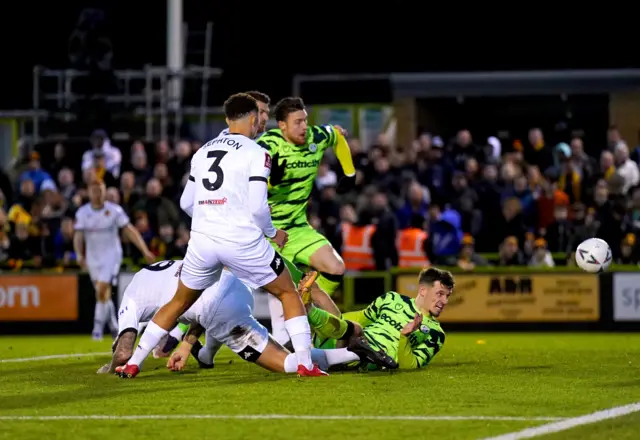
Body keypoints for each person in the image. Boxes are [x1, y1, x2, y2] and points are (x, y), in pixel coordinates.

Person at [116, 93, 321, 378]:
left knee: (177, 303)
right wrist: (274, 233)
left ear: (227, 120)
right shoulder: (256, 153)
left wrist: (210, 217)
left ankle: (134, 362)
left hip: (203, 241)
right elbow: (258, 207)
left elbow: (186, 203)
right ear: (252, 119)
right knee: (288, 292)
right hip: (239, 240)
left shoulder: (202, 152)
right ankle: (305, 365)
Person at [99, 260, 396, 374]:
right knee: (287, 301)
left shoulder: (131, 298)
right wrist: (186, 343)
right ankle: (353, 351)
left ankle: (342, 352)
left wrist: (110, 366)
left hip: (220, 304)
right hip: (237, 291)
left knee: (285, 363)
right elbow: (198, 303)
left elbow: (123, 349)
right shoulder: (167, 269)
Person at [257, 97, 357, 345]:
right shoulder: (266, 145)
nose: (304, 127)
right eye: (297, 122)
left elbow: (336, 136)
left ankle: (310, 308)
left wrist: (350, 172)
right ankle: (182, 333)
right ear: (281, 125)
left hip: (298, 228)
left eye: (305, 120)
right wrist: (269, 181)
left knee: (335, 267)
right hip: (268, 233)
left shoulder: (316, 136)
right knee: (224, 282)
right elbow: (247, 181)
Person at [314, 267, 453, 369]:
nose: (445, 301)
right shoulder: (392, 299)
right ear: (423, 290)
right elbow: (361, 317)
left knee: (308, 358)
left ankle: (329, 356)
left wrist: (405, 336)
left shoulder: (435, 334)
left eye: (447, 296)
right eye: (440, 294)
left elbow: (411, 365)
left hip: (375, 361)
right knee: (348, 325)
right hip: (353, 340)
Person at [73, 179, 155, 341]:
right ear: (89, 192)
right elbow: (78, 236)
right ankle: (114, 325)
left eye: (101, 190)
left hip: (111, 256)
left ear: (105, 192)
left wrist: (144, 250)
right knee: (102, 294)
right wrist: (79, 255)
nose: (98, 194)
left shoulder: (114, 211)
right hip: (93, 257)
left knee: (101, 290)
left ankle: (96, 329)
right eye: (94, 191)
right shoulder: (82, 213)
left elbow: (130, 230)